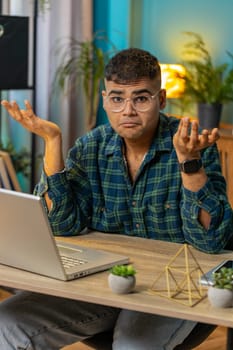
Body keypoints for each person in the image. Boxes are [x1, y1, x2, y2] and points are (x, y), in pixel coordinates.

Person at [0, 48, 232, 350]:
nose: (128, 111)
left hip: (172, 288)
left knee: (134, 343)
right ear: (104, 99)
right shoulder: (90, 146)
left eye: (141, 98)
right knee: (7, 323)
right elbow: (62, 224)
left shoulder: (191, 144)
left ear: (160, 100)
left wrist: (189, 163)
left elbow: (212, 241)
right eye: (117, 98)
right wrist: (52, 142)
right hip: (101, 284)